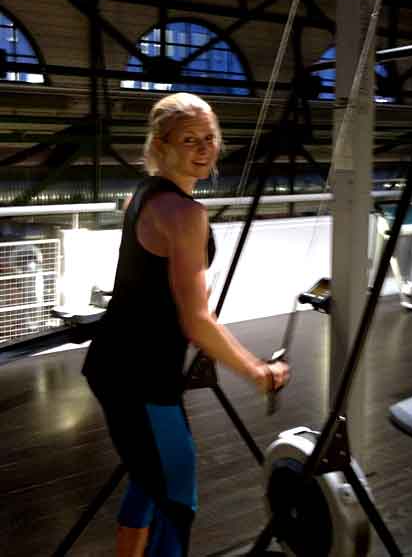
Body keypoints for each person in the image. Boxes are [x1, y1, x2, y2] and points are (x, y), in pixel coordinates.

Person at [82, 92, 285, 557]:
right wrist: (258, 371)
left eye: (209, 138)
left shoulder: (142, 195)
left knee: (147, 477)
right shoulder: (186, 214)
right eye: (189, 139)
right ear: (161, 145)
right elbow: (196, 321)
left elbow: (152, 285)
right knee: (176, 495)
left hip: (112, 362)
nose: (203, 148)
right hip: (142, 376)